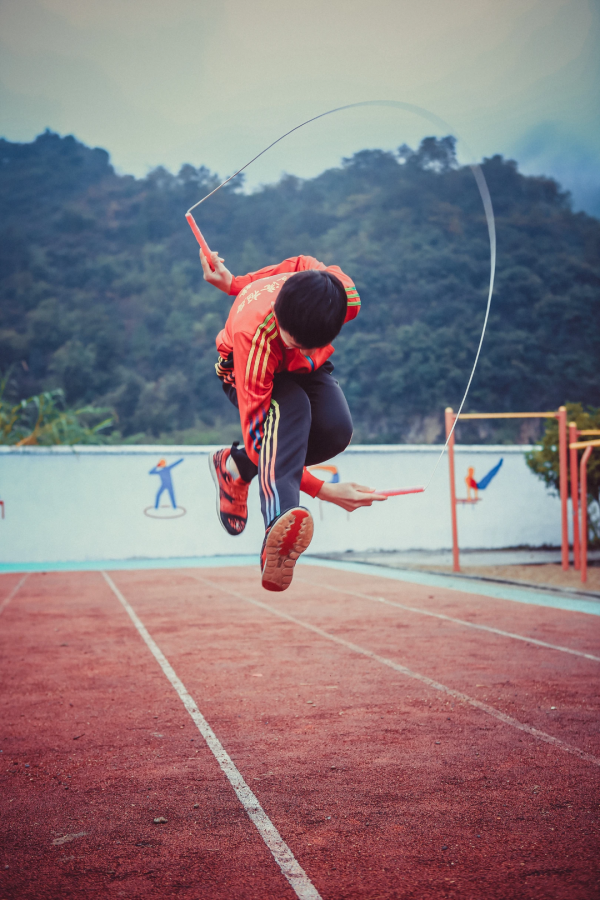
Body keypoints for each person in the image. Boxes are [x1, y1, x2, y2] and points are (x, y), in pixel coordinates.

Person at [200, 248, 386, 592]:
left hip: (304, 371)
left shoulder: (343, 295)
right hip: (246, 371)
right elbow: (260, 438)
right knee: (292, 410)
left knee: (335, 432)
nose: (293, 346)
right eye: (289, 339)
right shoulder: (254, 337)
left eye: (303, 344)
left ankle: (235, 467)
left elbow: (300, 264)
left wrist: (236, 283)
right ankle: (276, 530)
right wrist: (322, 490)